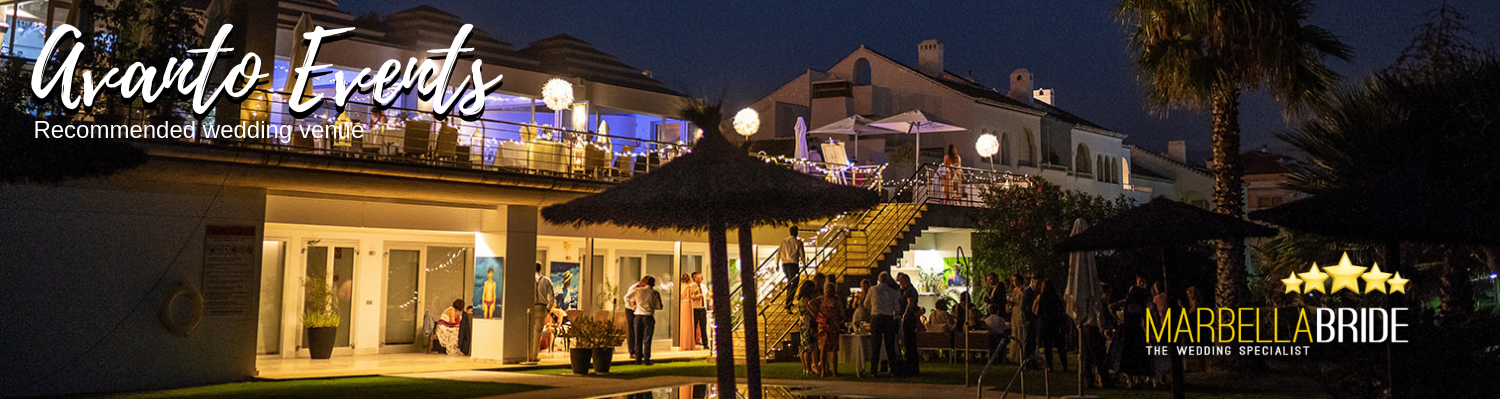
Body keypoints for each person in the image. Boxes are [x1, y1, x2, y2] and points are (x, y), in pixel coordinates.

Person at [1111, 276, 1155, 388]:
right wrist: (1147, 332)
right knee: (1138, 356)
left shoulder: (1126, 303)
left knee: (1126, 357)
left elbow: (1111, 306)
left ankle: (1131, 381)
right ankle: (1137, 379)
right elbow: (1145, 320)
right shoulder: (1142, 305)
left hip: (1126, 331)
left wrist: (1118, 319)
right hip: (1136, 331)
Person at [865, 272, 902, 376]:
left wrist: (873, 308)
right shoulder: (892, 291)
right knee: (889, 346)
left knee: (875, 346)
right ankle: (893, 370)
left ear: (878, 278)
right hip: (888, 318)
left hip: (876, 318)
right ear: (887, 280)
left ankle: (873, 371)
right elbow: (897, 308)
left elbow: (866, 304)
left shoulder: (872, 290)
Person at [1032, 279, 1068, 372]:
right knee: (1060, 346)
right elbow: (1063, 308)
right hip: (1055, 323)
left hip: (1046, 324)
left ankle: (1050, 366)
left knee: (1048, 347)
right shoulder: (1057, 297)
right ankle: (1065, 365)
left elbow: (1035, 310)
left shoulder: (1040, 297)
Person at [629, 275, 663, 365]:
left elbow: (626, 297)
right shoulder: (655, 293)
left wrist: (632, 306)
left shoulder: (638, 291)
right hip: (648, 316)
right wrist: (652, 306)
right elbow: (659, 306)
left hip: (638, 316)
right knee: (647, 338)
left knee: (638, 338)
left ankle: (638, 359)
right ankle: (647, 359)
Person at [816, 282, 844, 377]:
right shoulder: (835, 300)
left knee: (826, 349)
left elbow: (810, 303)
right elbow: (842, 313)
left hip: (826, 325)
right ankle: (831, 371)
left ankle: (825, 371)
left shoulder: (822, 299)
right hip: (829, 325)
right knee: (831, 349)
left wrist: (818, 315)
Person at [896, 273, 921, 377]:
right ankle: (911, 367)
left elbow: (910, 304)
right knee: (908, 344)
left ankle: (911, 368)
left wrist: (904, 316)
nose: (899, 284)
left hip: (908, 321)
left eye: (900, 281)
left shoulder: (910, 291)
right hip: (907, 319)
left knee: (909, 343)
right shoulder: (907, 291)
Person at [529, 262, 555, 363]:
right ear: (540, 269)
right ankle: (533, 356)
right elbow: (552, 297)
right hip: (542, 308)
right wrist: (548, 309)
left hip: (530, 307)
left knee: (529, 332)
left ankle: (526, 353)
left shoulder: (529, 280)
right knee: (537, 333)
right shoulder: (546, 281)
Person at [779, 226, 805, 310]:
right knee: (794, 283)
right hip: (793, 264)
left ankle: (789, 301)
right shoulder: (798, 243)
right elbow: (802, 254)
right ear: (797, 232)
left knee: (790, 282)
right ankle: (788, 303)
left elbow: (779, 252)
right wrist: (804, 264)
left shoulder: (784, 241)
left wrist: (776, 263)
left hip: (785, 264)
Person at [798, 280, 820, 375]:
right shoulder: (807, 299)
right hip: (808, 322)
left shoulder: (800, 298)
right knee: (808, 347)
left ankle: (805, 369)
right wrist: (816, 315)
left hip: (802, 321)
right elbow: (811, 311)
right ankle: (808, 369)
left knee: (803, 346)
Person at [623, 278, 645, 359]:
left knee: (638, 330)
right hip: (631, 309)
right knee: (632, 330)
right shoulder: (635, 288)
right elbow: (628, 298)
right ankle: (632, 351)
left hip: (636, 309)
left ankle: (638, 351)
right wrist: (632, 307)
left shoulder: (641, 289)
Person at [688, 272, 709, 350]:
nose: (699, 279)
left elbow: (707, 295)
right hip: (695, 309)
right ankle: (692, 344)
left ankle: (705, 344)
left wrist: (711, 295)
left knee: (703, 327)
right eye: (697, 278)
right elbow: (689, 296)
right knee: (694, 327)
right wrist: (696, 297)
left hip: (703, 309)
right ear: (694, 279)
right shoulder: (691, 286)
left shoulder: (703, 286)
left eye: (700, 278)